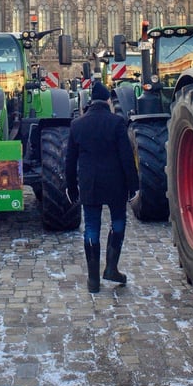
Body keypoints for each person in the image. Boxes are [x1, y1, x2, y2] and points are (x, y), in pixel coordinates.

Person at [64, 81, 139, 293]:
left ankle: (93, 280)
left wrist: (71, 188)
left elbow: (70, 161)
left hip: (90, 184)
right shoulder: (117, 123)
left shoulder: (77, 125)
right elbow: (126, 158)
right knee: (117, 223)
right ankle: (112, 268)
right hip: (116, 183)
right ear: (107, 100)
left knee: (91, 228)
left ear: (90, 102)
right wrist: (134, 186)